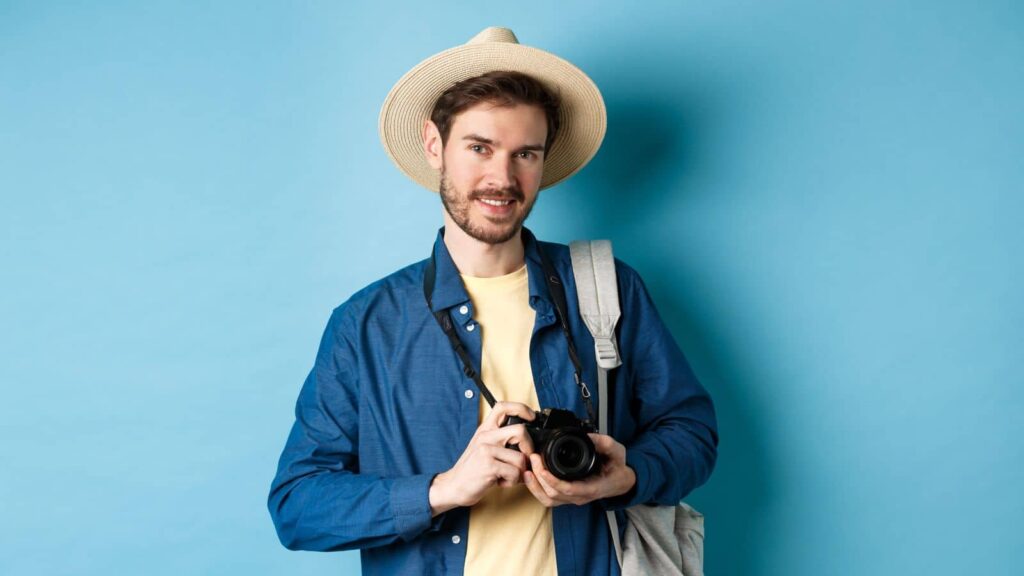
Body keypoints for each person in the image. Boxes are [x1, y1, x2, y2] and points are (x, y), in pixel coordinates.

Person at [268, 27, 718, 576]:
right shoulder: (366, 325)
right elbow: (297, 506)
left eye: (524, 153)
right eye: (480, 147)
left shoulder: (606, 288)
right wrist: (443, 490)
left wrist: (629, 475)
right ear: (435, 146)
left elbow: (692, 432)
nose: (502, 178)